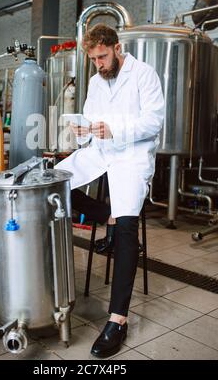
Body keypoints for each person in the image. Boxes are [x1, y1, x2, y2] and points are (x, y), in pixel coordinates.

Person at [55, 23, 164, 358]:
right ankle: (109, 216)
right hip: (100, 151)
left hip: (132, 156)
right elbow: (90, 121)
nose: (99, 64)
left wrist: (114, 129)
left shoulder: (144, 74)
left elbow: (154, 122)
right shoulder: (94, 80)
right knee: (54, 183)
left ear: (117, 48)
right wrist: (83, 130)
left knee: (129, 226)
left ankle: (117, 320)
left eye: (102, 56)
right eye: (94, 59)